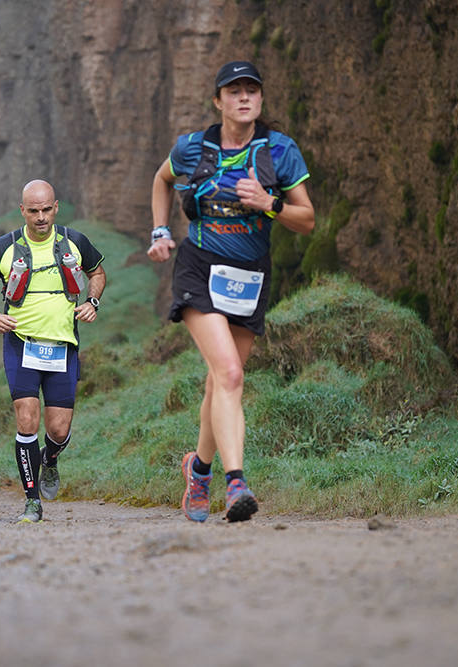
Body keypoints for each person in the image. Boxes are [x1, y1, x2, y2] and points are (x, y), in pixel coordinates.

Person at [149, 61, 315, 523]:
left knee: (221, 381)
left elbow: (308, 220)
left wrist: (270, 203)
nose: (244, 98)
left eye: (252, 91)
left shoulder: (279, 152)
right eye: (234, 90)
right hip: (199, 267)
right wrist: (160, 230)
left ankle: (197, 469)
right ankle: (235, 481)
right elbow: (162, 179)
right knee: (231, 375)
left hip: (249, 274)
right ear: (218, 100)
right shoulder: (192, 148)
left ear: (261, 101)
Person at [0, 179, 106, 523]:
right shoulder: (3, 247)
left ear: (56, 207)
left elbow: (98, 273)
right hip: (21, 345)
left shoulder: (75, 242)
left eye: (46, 209)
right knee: (26, 418)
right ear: (23, 211)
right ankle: (32, 502)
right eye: (33, 211)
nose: (41, 217)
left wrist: (92, 302)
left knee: (58, 430)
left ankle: (49, 460)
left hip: (62, 346)